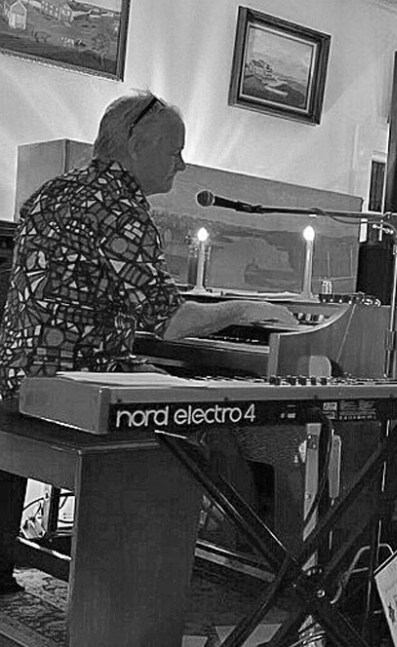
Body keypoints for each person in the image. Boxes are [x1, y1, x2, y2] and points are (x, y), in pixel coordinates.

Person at [0, 91, 297, 593]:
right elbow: (171, 322)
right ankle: (249, 572)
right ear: (137, 145)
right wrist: (245, 309)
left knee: (173, 388)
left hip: (16, 376)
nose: (181, 165)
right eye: (174, 151)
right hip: (71, 384)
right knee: (212, 418)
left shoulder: (52, 192)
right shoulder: (120, 209)